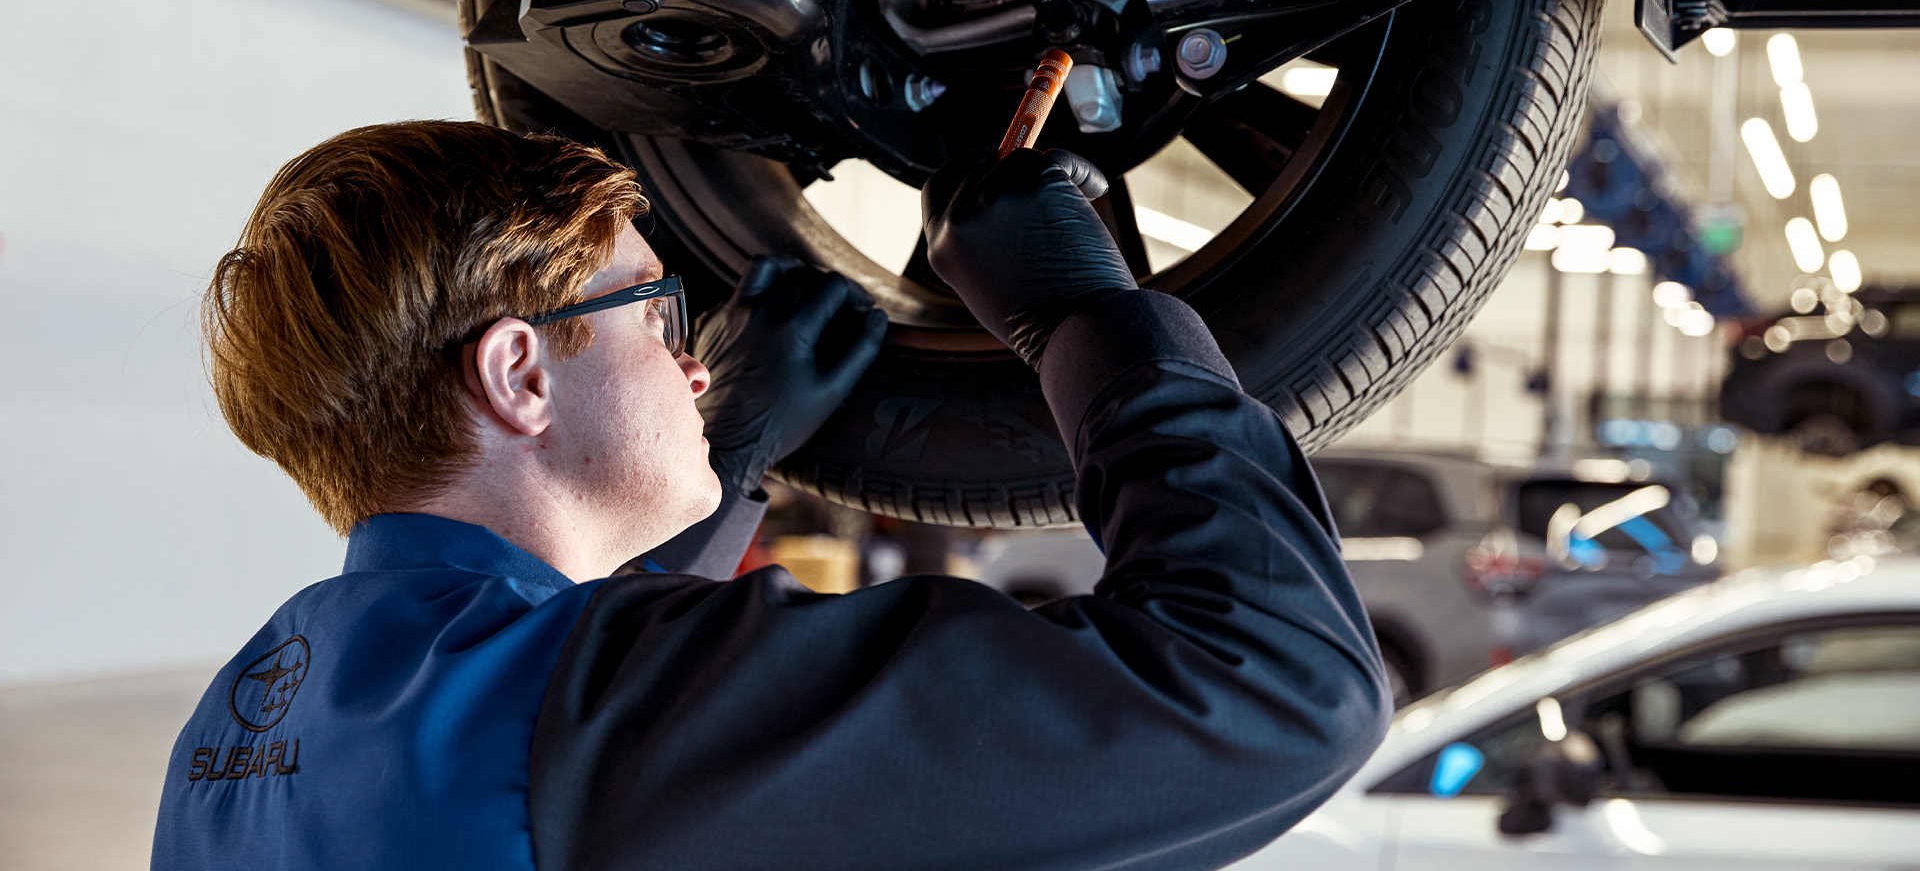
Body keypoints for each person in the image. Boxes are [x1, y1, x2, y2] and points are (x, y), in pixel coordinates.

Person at [153, 120, 1390, 870]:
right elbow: (1277, 687)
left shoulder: (251, 720)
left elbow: (544, 761)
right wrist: (1089, 319)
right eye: (655, 309)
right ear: (520, 372)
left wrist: (726, 463)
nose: (693, 362)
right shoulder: (597, 720)